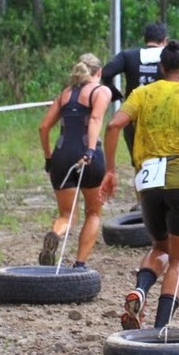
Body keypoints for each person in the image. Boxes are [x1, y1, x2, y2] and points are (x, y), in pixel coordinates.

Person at [101, 40, 179, 330]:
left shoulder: (141, 93)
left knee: (159, 246)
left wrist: (110, 170)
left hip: (146, 180)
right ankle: (159, 329)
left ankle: (140, 290)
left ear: (162, 68)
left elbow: (113, 125)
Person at [37, 53, 113, 268]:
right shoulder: (101, 91)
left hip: (61, 157)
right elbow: (95, 119)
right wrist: (90, 151)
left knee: (66, 214)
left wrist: (48, 157)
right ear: (99, 72)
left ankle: (56, 233)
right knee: (93, 212)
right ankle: (80, 264)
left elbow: (43, 128)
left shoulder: (65, 94)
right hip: (89, 157)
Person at [101, 22, 168, 160]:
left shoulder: (128, 55)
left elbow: (106, 73)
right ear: (164, 40)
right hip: (164, 118)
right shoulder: (170, 57)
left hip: (133, 118)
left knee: (139, 162)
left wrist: (114, 93)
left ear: (145, 38)